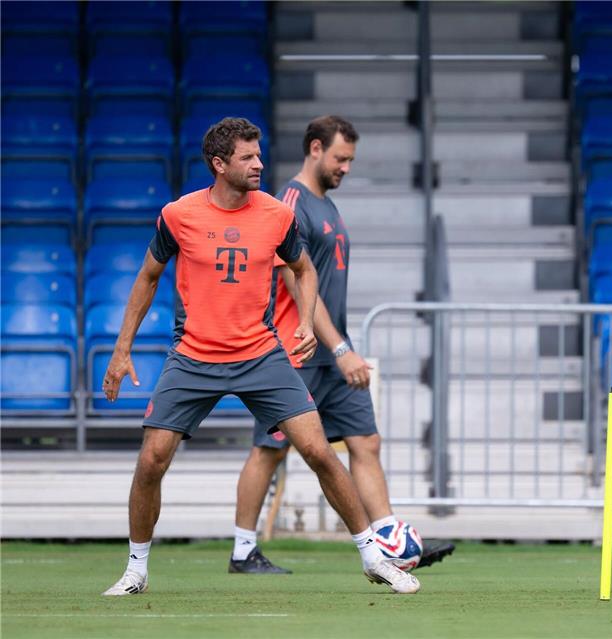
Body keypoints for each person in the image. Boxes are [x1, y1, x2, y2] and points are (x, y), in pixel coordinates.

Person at [101, 117, 419, 596]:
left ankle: (375, 558)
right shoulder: (178, 215)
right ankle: (136, 570)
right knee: (152, 460)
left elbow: (304, 270)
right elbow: (147, 276)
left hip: (261, 354)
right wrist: (121, 350)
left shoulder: (276, 215)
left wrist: (306, 322)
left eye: (259, 154)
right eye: (248, 157)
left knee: (318, 451)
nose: (259, 164)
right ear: (219, 164)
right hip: (193, 356)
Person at [228, 115, 455, 574]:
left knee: (365, 441)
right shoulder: (291, 202)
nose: (346, 168)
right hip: (298, 353)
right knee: (269, 448)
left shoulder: (325, 204)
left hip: (330, 351)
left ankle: (389, 538)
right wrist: (340, 349)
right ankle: (242, 550)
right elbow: (296, 283)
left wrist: (339, 348)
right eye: (340, 158)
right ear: (315, 149)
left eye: (350, 160)